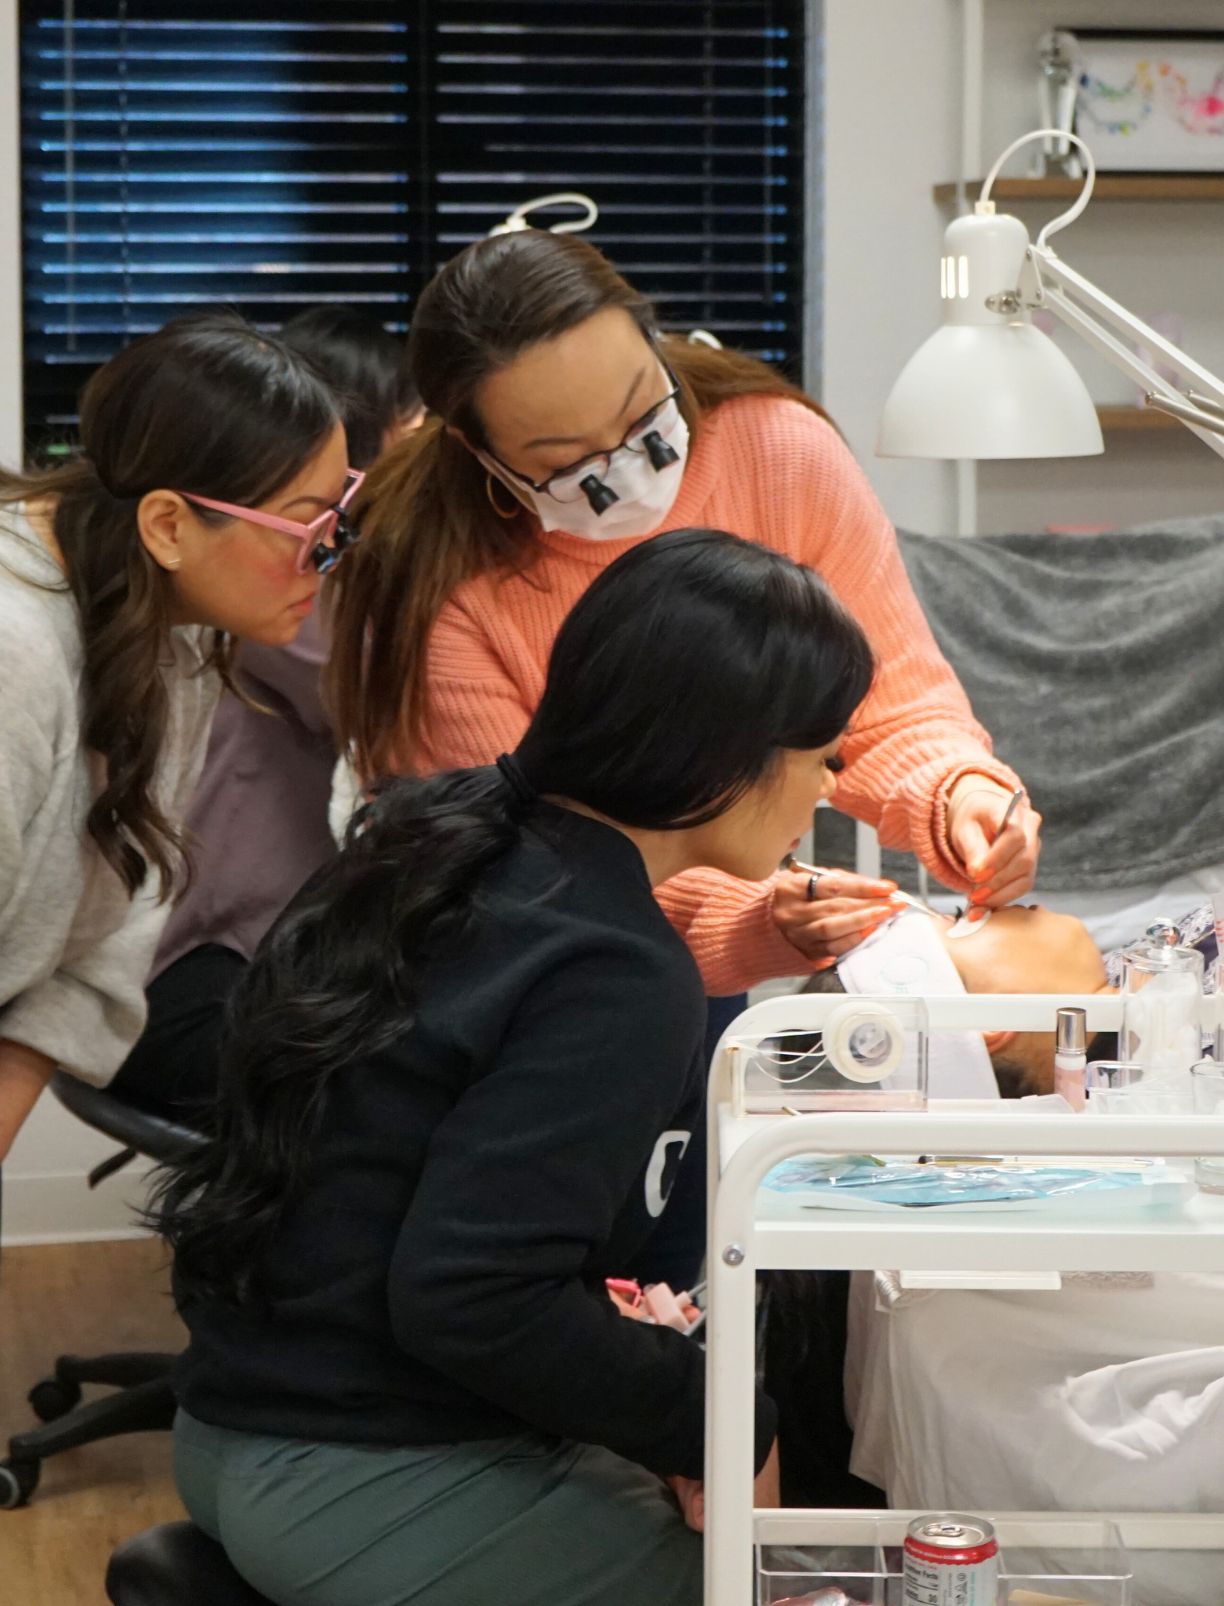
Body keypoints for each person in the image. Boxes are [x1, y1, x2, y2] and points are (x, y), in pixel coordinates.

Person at [151, 529, 876, 1606]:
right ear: (728, 752)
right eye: (825, 744)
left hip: (234, 1430)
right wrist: (716, 1409)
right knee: (803, 1585)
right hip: (362, 1480)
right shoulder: (617, 967)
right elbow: (468, 1298)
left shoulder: (427, 836)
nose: (834, 774)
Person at [327, 228, 1043, 1283]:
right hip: (557, 957)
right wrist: (752, 925)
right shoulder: (439, 588)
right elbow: (534, 882)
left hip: (671, 941)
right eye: (566, 463)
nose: (632, 464)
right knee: (617, 1259)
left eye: (640, 410)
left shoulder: (776, 450)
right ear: (479, 456)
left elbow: (890, 701)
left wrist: (956, 792)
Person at [0, 310, 350, 1160]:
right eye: (308, 529)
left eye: (341, 515)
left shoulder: (176, 627)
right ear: (167, 525)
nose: (333, 554)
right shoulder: (16, 658)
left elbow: (105, 939)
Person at [112, 310, 420, 1123]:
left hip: (238, 939)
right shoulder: (260, 596)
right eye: (414, 435)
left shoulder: (230, 593)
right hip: (188, 960)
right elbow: (394, 713)